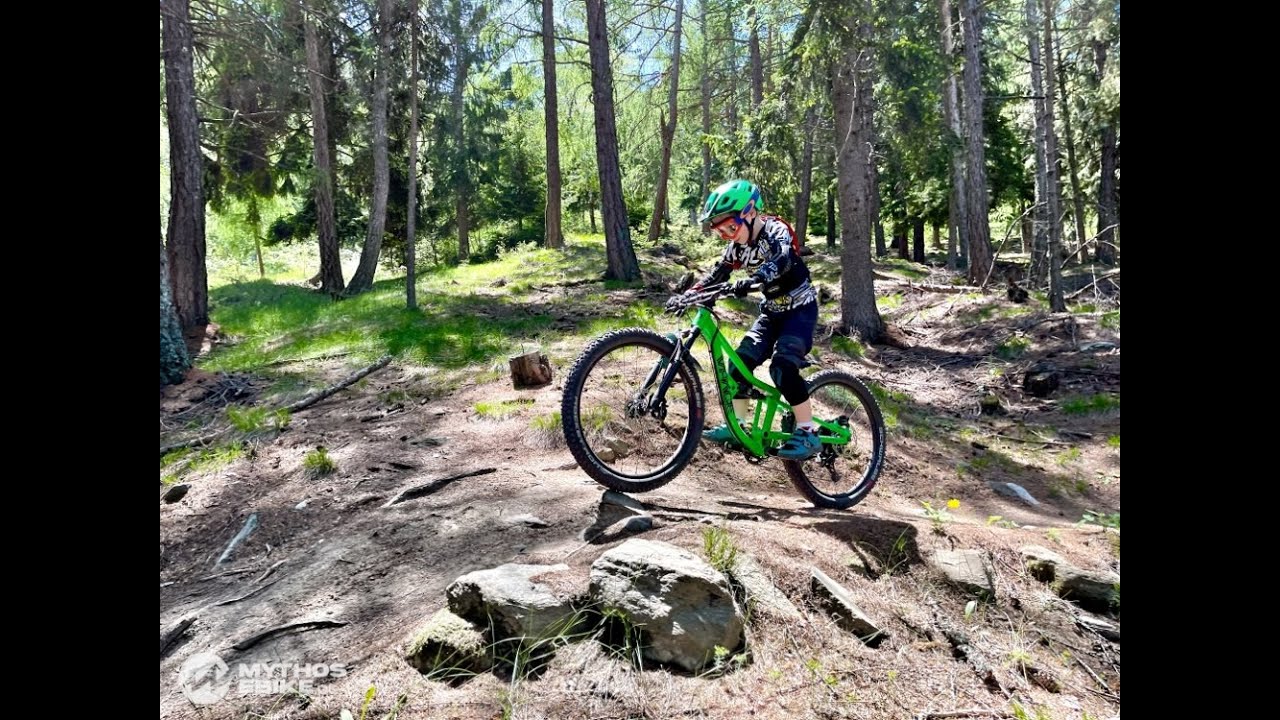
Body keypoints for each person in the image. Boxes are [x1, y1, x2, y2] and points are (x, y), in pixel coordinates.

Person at [683, 179, 821, 461]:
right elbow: (717, 274)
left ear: (749, 213)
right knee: (739, 367)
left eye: (730, 227)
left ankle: (808, 431)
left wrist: (755, 279)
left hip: (800, 312)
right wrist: (690, 294)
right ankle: (741, 427)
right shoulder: (737, 247)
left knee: (782, 369)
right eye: (721, 232)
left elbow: (783, 258)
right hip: (771, 313)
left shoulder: (774, 230)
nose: (728, 235)